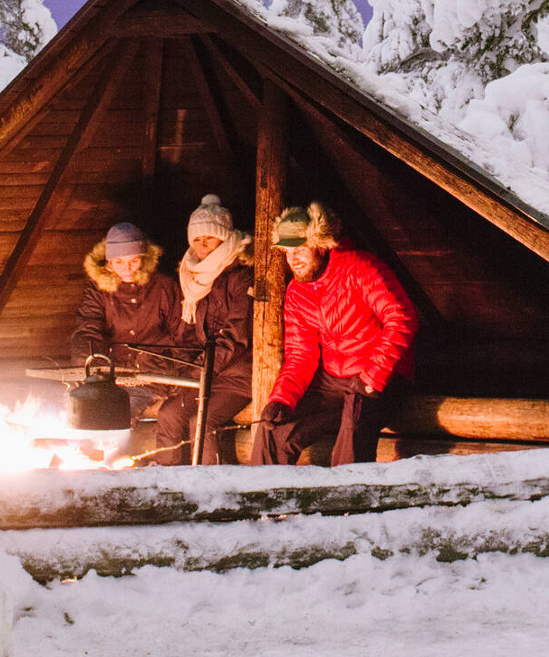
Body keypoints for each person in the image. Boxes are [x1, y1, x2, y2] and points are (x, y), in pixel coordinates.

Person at [256, 202, 417, 465]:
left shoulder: (360, 267)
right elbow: (300, 354)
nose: (293, 259)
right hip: (334, 380)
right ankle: (262, 490)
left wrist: (373, 376)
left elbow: (401, 318)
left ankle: (347, 491)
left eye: (300, 249)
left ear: (320, 245)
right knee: (273, 428)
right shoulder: (297, 292)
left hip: (383, 375)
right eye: (287, 252)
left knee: (353, 427)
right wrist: (281, 399)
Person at [72, 221, 193, 461]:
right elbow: (89, 329)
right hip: (113, 372)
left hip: (152, 373)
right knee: (81, 405)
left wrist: (178, 374)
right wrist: (92, 370)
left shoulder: (163, 287)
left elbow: (181, 333)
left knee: (120, 409)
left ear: (143, 258)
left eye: (133, 261)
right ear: (108, 262)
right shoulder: (99, 290)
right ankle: (85, 459)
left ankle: (107, 460)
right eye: (119, 262)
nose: (127, 269)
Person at [158, 194, 253, 465]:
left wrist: (200, 370)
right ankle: (165, 481)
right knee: (168, 414)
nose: (202, 245)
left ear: (224, 239)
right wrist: (181, 369)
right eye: (197, 239)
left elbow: (235, 337)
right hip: (206, 372)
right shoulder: (194, 277)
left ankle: (209, 486)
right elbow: (188, 332)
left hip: (236, 375)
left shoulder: (242, 275)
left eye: (209, 238)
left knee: (202, 421)